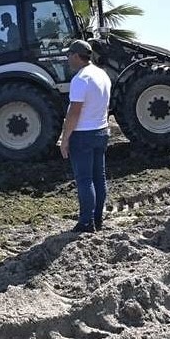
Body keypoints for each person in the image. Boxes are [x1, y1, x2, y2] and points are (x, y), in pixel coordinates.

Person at [59, 39, 112, 234]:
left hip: (83, 134)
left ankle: (86, 222)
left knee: (84, 180)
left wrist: (65, 138)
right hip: (101, 130)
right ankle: (97, 219)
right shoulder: (102, 75)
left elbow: (74, 112)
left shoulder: (80, 79)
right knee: (99, 177)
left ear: (75, 55)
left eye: (68, 56)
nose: (67, 59)